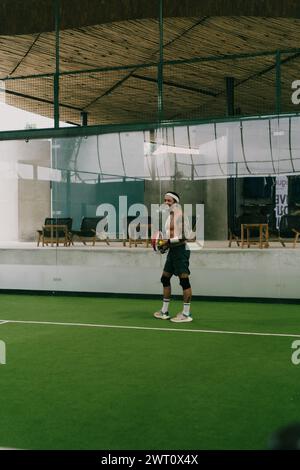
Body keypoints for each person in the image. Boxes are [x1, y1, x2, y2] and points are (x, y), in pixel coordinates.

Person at [153, 191, 193, 323]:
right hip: (172, 251)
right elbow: (170, 237)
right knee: (165, 278)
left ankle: (186, 314)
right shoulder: (169, 216)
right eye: (165, 200)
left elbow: (186, 236)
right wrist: (164, 245)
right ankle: (164, 311)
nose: (166, 203)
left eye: (169, 201)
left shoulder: (180, 215)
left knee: (184, 282)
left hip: (181, 251)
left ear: (175, 202)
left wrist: (168, 242)